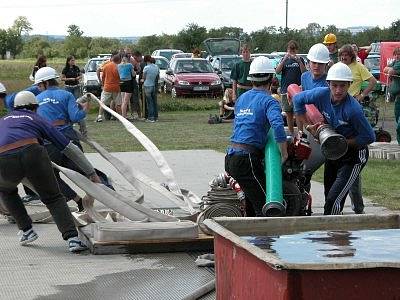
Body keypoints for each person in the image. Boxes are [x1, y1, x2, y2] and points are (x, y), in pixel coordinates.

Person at [0, 91, 98, 252]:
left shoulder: (2, 121)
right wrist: (90, 172)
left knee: (7, 191)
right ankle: (72, 239)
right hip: (33, 153)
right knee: (53, 198)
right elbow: (67, 147)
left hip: (3, 158)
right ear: (35, 108)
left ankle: (27, 230)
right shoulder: (36, 118)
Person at [293, 62, 375, 215]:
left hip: (354, 155)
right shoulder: (321, 94)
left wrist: (342, 142)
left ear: (349, 85)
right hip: (333, 151)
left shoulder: (353, 109)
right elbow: (297, 99)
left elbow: (369, 136)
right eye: (335, 85)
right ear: (328, 83)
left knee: (334, 199)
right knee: (328, 196)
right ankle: (336, 236)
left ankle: (334, 233)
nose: (338, 90)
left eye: (343, 86)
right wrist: (307, 126)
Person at [225, 56, 288, 217]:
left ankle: (253, 240)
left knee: (252, 204)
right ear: (272, 78)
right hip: (247, 161)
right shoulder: (269, 101)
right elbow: (278, 125)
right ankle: (264, 241)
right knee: (266, 207)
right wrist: (284, 152)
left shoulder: (242, 99)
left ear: (251, 78)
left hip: (231, 157)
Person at [34, 66, 93, 210]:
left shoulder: (36, 99)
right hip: (67, 137)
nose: (38, 88)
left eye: (39, 85)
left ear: (45, 83)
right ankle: (109, 193)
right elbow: (74, 117)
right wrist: (85, 109)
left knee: (51, 177)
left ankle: (77, 200)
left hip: (48, 141)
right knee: (85, 171)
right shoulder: (66, 95)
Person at [275, 40, 306, 136]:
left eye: (293, 50)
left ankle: (300, 134)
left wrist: (298, 61)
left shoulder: (300, 59)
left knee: (298, 113)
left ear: (297, 50)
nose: (292, 52)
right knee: (288, 113)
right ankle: (292, 134)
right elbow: (277, 71)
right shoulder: (283, 60)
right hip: (285, 90)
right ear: (287, 50)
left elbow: (304, 72)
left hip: (297, 91)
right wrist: (284, 60)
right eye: (290, 50)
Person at [96, 52, 122, 122]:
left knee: (103, 103)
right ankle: (121, 118)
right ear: (119, 60)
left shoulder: (106, 66)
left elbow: (103, 76)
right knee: (118, 104)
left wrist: (102, 83)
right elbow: (120, 78)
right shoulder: (118, 67)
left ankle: (99, 116)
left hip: (107, 87)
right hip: (116, 87)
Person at [384, 47, 400, 144]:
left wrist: (391, 70)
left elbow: (390, 72)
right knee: (397, 120)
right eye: (396, 54)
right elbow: (385, 69)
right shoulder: (395, 62)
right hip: (397, 98)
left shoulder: (398, 64)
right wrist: (390, 69)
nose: (397, 56)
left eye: (399, 54)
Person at [142, 55, 159, 122]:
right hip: (154, 85)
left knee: (149, 102)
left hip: (147, 85)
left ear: (146, 61)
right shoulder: (156, 67)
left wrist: (142, 80)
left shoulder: (146, 67)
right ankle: (155, 116)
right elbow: (157, 76)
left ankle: (151, 117)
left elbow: (144, 77)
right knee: (154, 101)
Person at [117, 54, 136, 119]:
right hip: (128, 82)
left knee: (123, 100)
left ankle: (123, 115)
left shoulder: (118, 66)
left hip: (121, 83)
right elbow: (133, 74)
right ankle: (124, 116)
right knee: (126, 101)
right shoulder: (130, 65)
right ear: (128, 59)